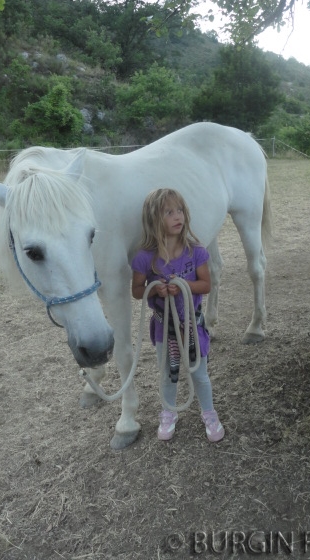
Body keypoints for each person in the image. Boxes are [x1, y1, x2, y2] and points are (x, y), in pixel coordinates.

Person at [131, 188, 224, 443]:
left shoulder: (196, 252)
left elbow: (206, 284)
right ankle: (169, 412)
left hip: (193, 325)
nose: (177, 216)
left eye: (180, 210)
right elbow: (137, 291)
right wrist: (156, 290)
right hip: (165, 328)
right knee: (169, 372)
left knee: (199, 372)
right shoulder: (144, 258)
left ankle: (209, 412)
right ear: (154, 219)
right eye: (169, 212)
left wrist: (183, 284)